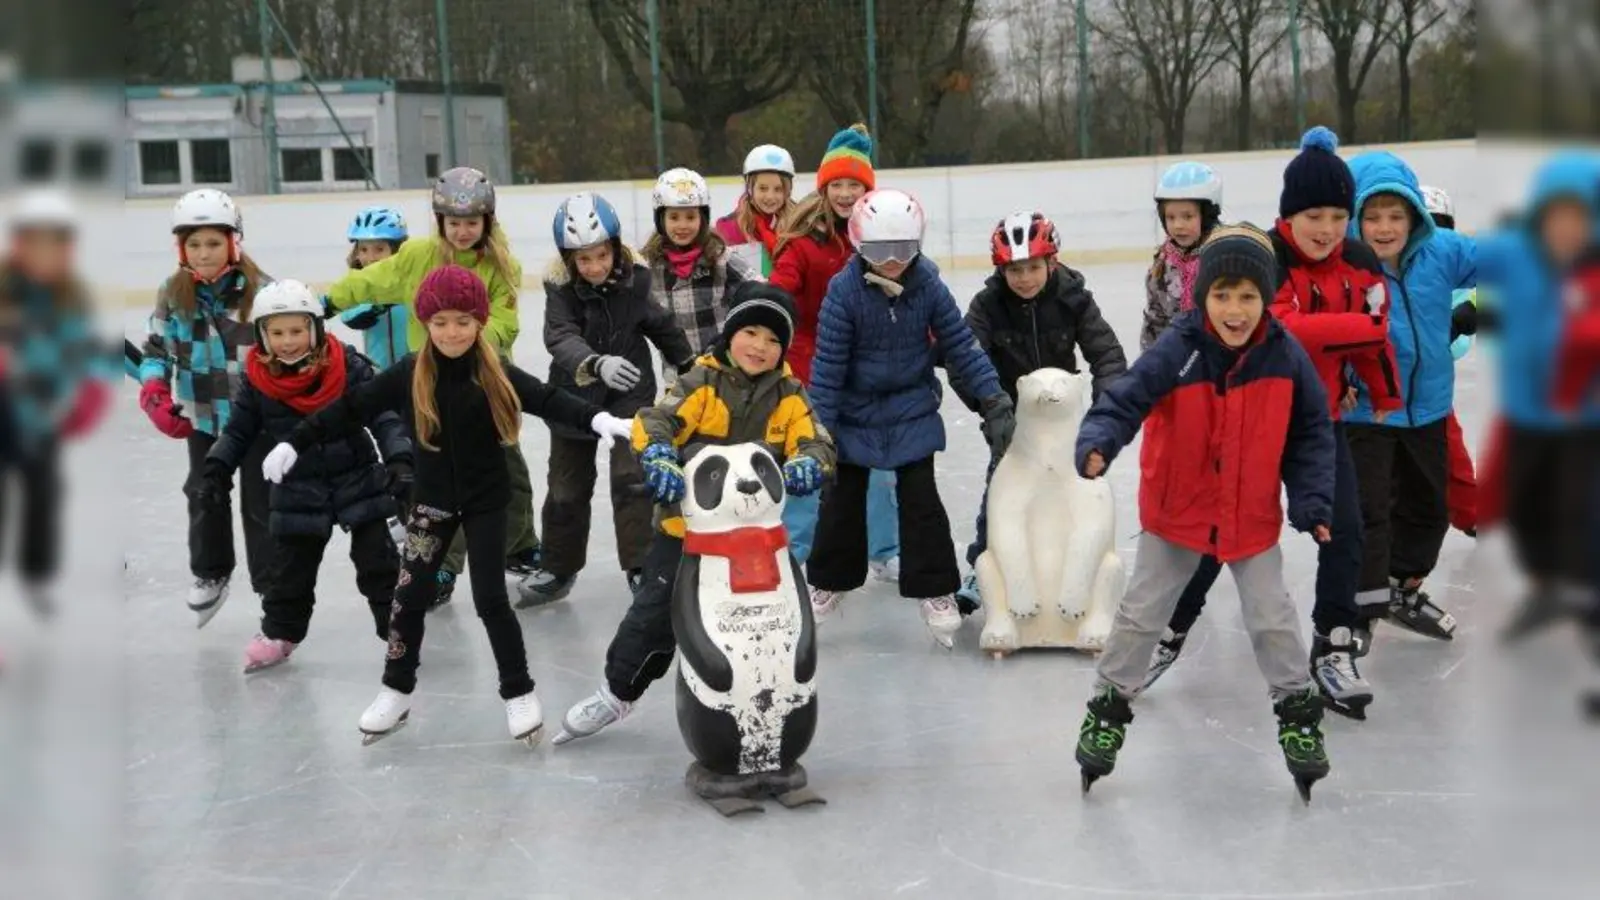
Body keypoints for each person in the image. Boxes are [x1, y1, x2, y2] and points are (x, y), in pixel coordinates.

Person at [261, 265, 635, 745]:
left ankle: (518, 692)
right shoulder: (409, 372)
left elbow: (547, 398)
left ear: (479, 322)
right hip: (431, 505)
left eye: (462, 321)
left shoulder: (494, 372)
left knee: (490, 599)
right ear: (425, 324)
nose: (451, 332)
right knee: (408, 599)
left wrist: (597, 418)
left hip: (485, 504)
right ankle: (395, 692)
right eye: (440, 322)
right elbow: (352, 409)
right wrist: (297, 439)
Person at [1145, 127, 1399, 723]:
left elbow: (1373, 345)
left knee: (1344, 527)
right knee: (1218, 531)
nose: (1328, 228)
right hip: (1249, 417)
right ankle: (1169, 631)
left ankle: (1334, 643)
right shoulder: (1263, 255)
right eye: (1315, 214)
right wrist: (1362, 328)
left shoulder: (1358, 262)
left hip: (1319, 419)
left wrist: (1384, 389)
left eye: (1340, 215)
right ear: (1290, 214)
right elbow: (1283, 330)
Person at [1072, 225, 1334, 798]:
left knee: (1272, 618)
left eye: (1247, 296)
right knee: (1143, 616)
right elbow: (1126, 397)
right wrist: (1100, 440)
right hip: (1178, 511)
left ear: (1266, 297)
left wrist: (1313, 499)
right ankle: (1107, 707)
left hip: (1250, 516)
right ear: (1202, 297)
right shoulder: (1180, 348)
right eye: (1221, 295)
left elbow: (1312, 432)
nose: (1234, 311)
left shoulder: (1285, 356)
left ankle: (1297, 716)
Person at [551, 283, 834, 744]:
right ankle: (617, 692)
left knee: (769, 626)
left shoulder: (788, 394)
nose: (760, 347)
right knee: (654, 616)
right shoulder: (701, 383)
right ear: (731, 334)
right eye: (752, 333)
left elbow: (817, 439)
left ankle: (769, 709)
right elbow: (654, 420)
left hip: (756, 541)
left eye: (773, 339)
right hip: (687, 534)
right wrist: (660, 456)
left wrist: (809, 462)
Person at [805, 188, 1014, 648]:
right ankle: (828, 581)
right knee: (841, 500)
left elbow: (959, 343)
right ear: (860, 246)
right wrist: (816, 430)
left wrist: (994, 398)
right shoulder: (843, 294)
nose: (895, 260)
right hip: (856, 412)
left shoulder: (928, 286)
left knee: (922, 503)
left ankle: (936, 587)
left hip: (911, 407)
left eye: (905, 249)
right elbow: (828, 368)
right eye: (882, 251)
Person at [320, 167, 539, 607]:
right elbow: (370, 280)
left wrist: (469, 344)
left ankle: (519, 544)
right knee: (442, 478)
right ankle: (442, 565)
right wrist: (325, 302)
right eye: (454, 223)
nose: (462, 232)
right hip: (431, 385)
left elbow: (506, 322)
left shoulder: (501, 265)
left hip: (487, 383)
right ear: (440, 221)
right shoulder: (417, 257)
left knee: (508, 467)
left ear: (487, 221)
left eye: (471, 223)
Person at [198, 280, 410, 672]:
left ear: (315, 328)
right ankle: (280, 633)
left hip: (356, 476)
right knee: (290, 569)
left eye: (297, 330)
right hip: (296, 485)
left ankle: (398, 631)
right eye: (276, 333)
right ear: (262, 335)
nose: (288, 341)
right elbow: (238, 431)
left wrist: (399, 458)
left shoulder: (346, 365)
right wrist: (216, 467)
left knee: (377, 561)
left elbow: (383, 413)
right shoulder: (258, 381)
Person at [522, 192, 696, 605]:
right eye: (583, 259)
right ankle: (558, 567)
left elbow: (661, 324)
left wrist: (690, 365)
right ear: (568, 261)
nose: (595, 267)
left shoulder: (635, 282)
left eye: (601, 255)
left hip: (629, 394)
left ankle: (641, 565)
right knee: (565, 486)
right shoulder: (560, 289)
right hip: (572, 394)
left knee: (631, 478)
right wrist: (595, 363)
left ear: (615, 248)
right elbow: (559, 336)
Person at [954, 211, 1127, 609]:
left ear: (1051, 262)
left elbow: (1108, 357)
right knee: (1001, 490)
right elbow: (963, 361)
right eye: (1014, 269)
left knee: (1076, 489)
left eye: (1033, 267)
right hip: (1009, 414)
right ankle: (984, 563)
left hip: (1061, 415)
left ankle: (1078, 567)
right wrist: (991, 409)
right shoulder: (987, 305)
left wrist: (1105, 416)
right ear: (1001, 270)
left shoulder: (1074, 297)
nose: (1025, 278)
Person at [1343, 153, 1476, 647]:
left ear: (1415, 216)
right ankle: (1358, 614)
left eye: (1395, 215)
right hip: (1367, 412)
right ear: (1355, 218)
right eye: (1372, 216)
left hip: (1429, 410)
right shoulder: (1344, 272)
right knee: (1369, 514)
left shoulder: (1441, 251)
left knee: (1429, 510)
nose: (1384, 227)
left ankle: (1401, 589)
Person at [137, 188, 275, 627]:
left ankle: (274, 588)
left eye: (213, 243)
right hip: (202, 416)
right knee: (203, 491)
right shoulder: (173, 292)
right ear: (181, 248)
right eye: (193, 244)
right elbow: (156, 348)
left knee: (261, 503)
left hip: (254, 421)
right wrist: (154, 392)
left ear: (234, 242)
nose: (203, 253)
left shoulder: (261, 292)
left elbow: (284, 352)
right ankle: (211, 572)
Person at [1480, 152, 1600, 642]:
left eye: (1580, 217)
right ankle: (1544, 587)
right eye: (1557, 216)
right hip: (1526, 413)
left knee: (1579, 511)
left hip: (1583, 420)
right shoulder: (1514, 253)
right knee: (1523, 506)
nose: (1567, 228)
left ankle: (1586, 602)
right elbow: (1458, 257)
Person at [770, 123, 900, 574]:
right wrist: (765, 316)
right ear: (824, 189)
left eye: (855, 184)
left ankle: (884, 551)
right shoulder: (805, 245)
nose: (846, 194)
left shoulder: (881, 238)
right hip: (810, 370)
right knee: (808, 461)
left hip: (866, 372)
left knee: (880, 464)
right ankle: (795, 552)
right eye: (837, 184)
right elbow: (780, 292)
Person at [0, 187, 115, 618]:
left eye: (54, 244)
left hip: (40, 416)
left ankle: (36, 575)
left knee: (43, 494)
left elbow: (81, 349)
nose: (44, 254)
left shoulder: (71, 296)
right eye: (35, 243)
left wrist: (91, 388)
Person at [1420, 185, 1484, 537]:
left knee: (1449, 453)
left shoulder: (1456, 269)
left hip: (1429, 388)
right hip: (1383, 393)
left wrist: (1468, 312)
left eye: (1440, 227)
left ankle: (1471, 512)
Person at [640, 167, 754, 362]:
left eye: (690, 217)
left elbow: (759, 290)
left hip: (720, 369)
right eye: (674, 217)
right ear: (661, 219)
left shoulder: (721, 258)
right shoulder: (649, 266)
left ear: (703, 218)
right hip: (677, 373)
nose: (682, 225)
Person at [1140, 161, 1224, 351]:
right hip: (1176, 360)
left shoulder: (1224, 257)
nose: (1178, 225)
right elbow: (1155, 320)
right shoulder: (1163, 263)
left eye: (1187, 217)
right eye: (1171, 217)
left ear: (1208, 215)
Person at [336, 206, 412, 371]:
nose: (370, 258)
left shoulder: (413, 279)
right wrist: (380, 303)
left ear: (398, 250)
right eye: (363, 249)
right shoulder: (357, 283)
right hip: (379, 374)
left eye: (379, 249)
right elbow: (351, 318)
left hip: (418, 371)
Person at [714, 144, 798, 277]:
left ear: (787, 191)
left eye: (778, 189)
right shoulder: (729, 228)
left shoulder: (798, 226)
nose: (770, 197)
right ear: (750, 188)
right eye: (763, 188)